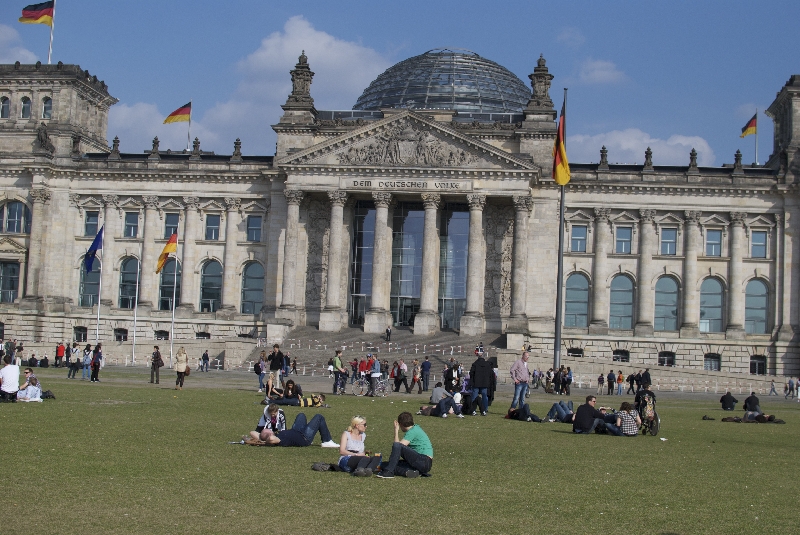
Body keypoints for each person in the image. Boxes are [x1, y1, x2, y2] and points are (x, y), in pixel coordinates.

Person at [376, 412, 433, 478]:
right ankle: (408, 472)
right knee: (384, 464)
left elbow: (397, 447)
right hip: (422, 463)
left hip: (423, 460)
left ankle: (389, 472)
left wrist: (396, 431)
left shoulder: (412, 431)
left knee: (397, 447)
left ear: (400, 424)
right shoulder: (415, 428)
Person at [260, 412, 339, 448]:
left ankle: (326, 441)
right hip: (304, 437)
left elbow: (253, 433)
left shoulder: (276, 435)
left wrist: (261, 438)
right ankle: (327, 441)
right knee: (319, 417)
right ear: (269, 434)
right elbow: (270, 438)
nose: (270, 429)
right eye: (268, 430)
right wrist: (264, 441)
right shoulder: (276, 439)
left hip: (297, 430)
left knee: (301, 415)